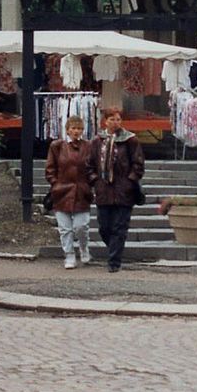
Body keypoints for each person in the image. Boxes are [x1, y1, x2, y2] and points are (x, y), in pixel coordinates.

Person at [86, 107, 144, 273]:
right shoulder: (97, 141)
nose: (115, 123)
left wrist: (130, 181)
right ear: (105, 121)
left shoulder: (131, 140)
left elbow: (138, 163)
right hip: (103, 190)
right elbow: (89, 164)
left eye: (118, 119)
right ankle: (114, 249)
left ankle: (114, 261)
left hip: (123, 191)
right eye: (112, 119)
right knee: (104, 227)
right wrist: (95, 181)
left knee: (120, 227)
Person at [45, 116, 93, 269]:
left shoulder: (88, 146)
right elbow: (50, 168)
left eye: (79, 128)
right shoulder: (57, 146)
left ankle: (84, 247)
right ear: (67, 130)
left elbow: (93, 167)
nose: (76, 131)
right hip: (62, 191)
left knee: (81, 226)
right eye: (73, 128)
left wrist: (90, 184)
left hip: (81, 191)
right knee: (65, 228)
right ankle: (69, 254)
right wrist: (55, 183)